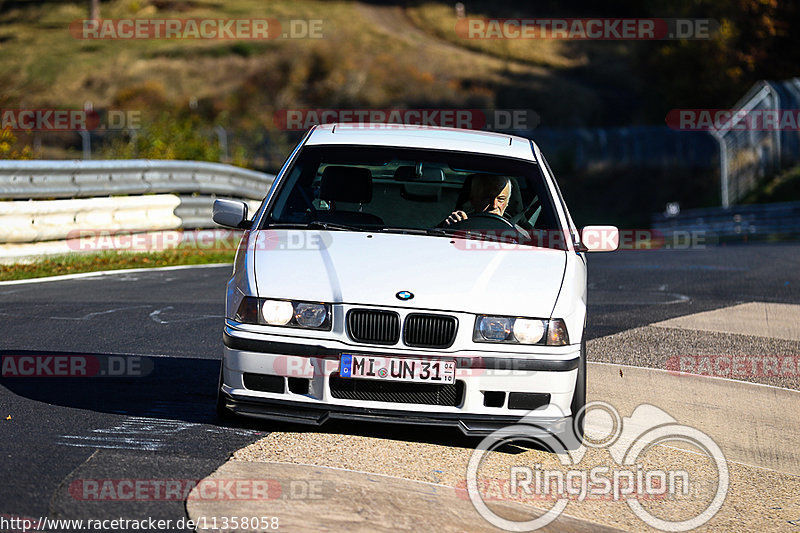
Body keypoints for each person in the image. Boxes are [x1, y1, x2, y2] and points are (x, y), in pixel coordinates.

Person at [443, 174, 511, 226]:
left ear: (507, 202)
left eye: (501, 199)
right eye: (487, 197)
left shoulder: (517, 233)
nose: (494, 205)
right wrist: (453, 228)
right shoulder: (459, 222)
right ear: (473, 199)